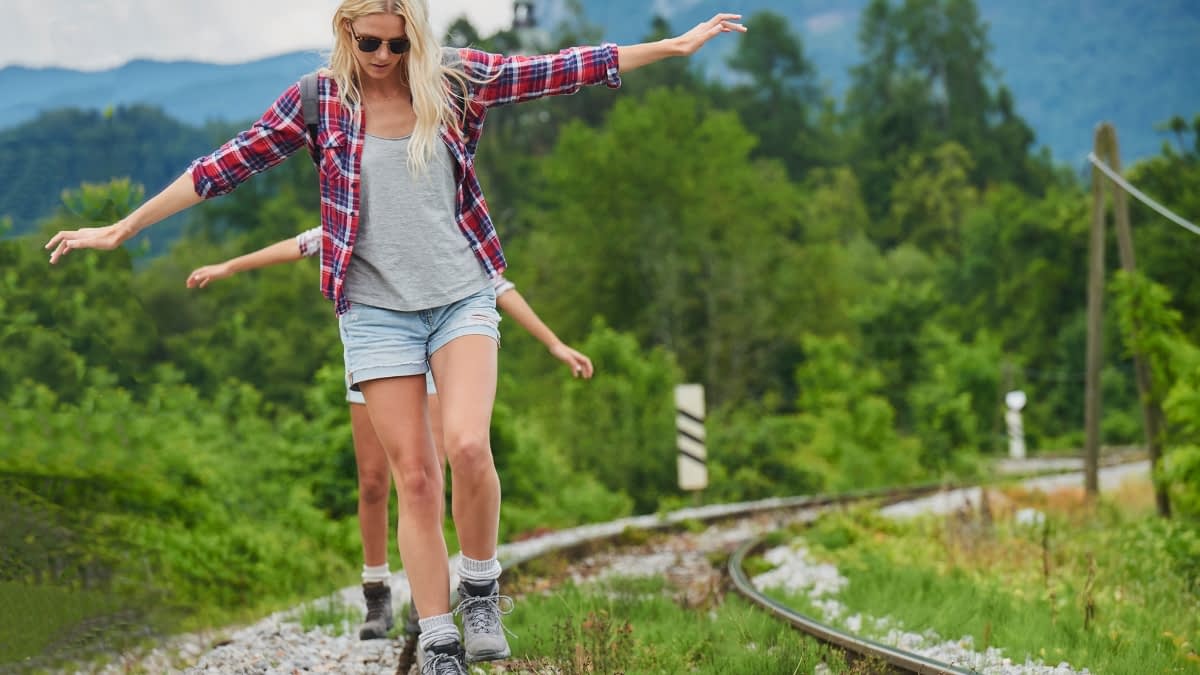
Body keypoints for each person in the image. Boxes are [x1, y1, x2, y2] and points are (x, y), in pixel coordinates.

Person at [45, 2, 744, 670]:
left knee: (467, 445)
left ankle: (479, 587)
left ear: (417, 37)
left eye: (398, 43)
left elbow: (558, 69)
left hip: (461, 296)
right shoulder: (318, 101)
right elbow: (220, 168)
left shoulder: (454, 81)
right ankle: (438, 640)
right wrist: (123, 228)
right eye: (370, 43)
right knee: (414, 476)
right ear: (346, 34)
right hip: (375, 313)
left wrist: (671, 47)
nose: (384, 56)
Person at [185, 226, 594, 641]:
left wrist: (554, 344)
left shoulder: (439, 227)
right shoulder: (362, 219)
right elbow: (302, 244)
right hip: (378, 356)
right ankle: (376, 590)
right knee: (373, 483)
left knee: (426, 479)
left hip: (435, 358)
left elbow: (496, 284)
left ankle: (425, 592)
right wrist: (230, 266)